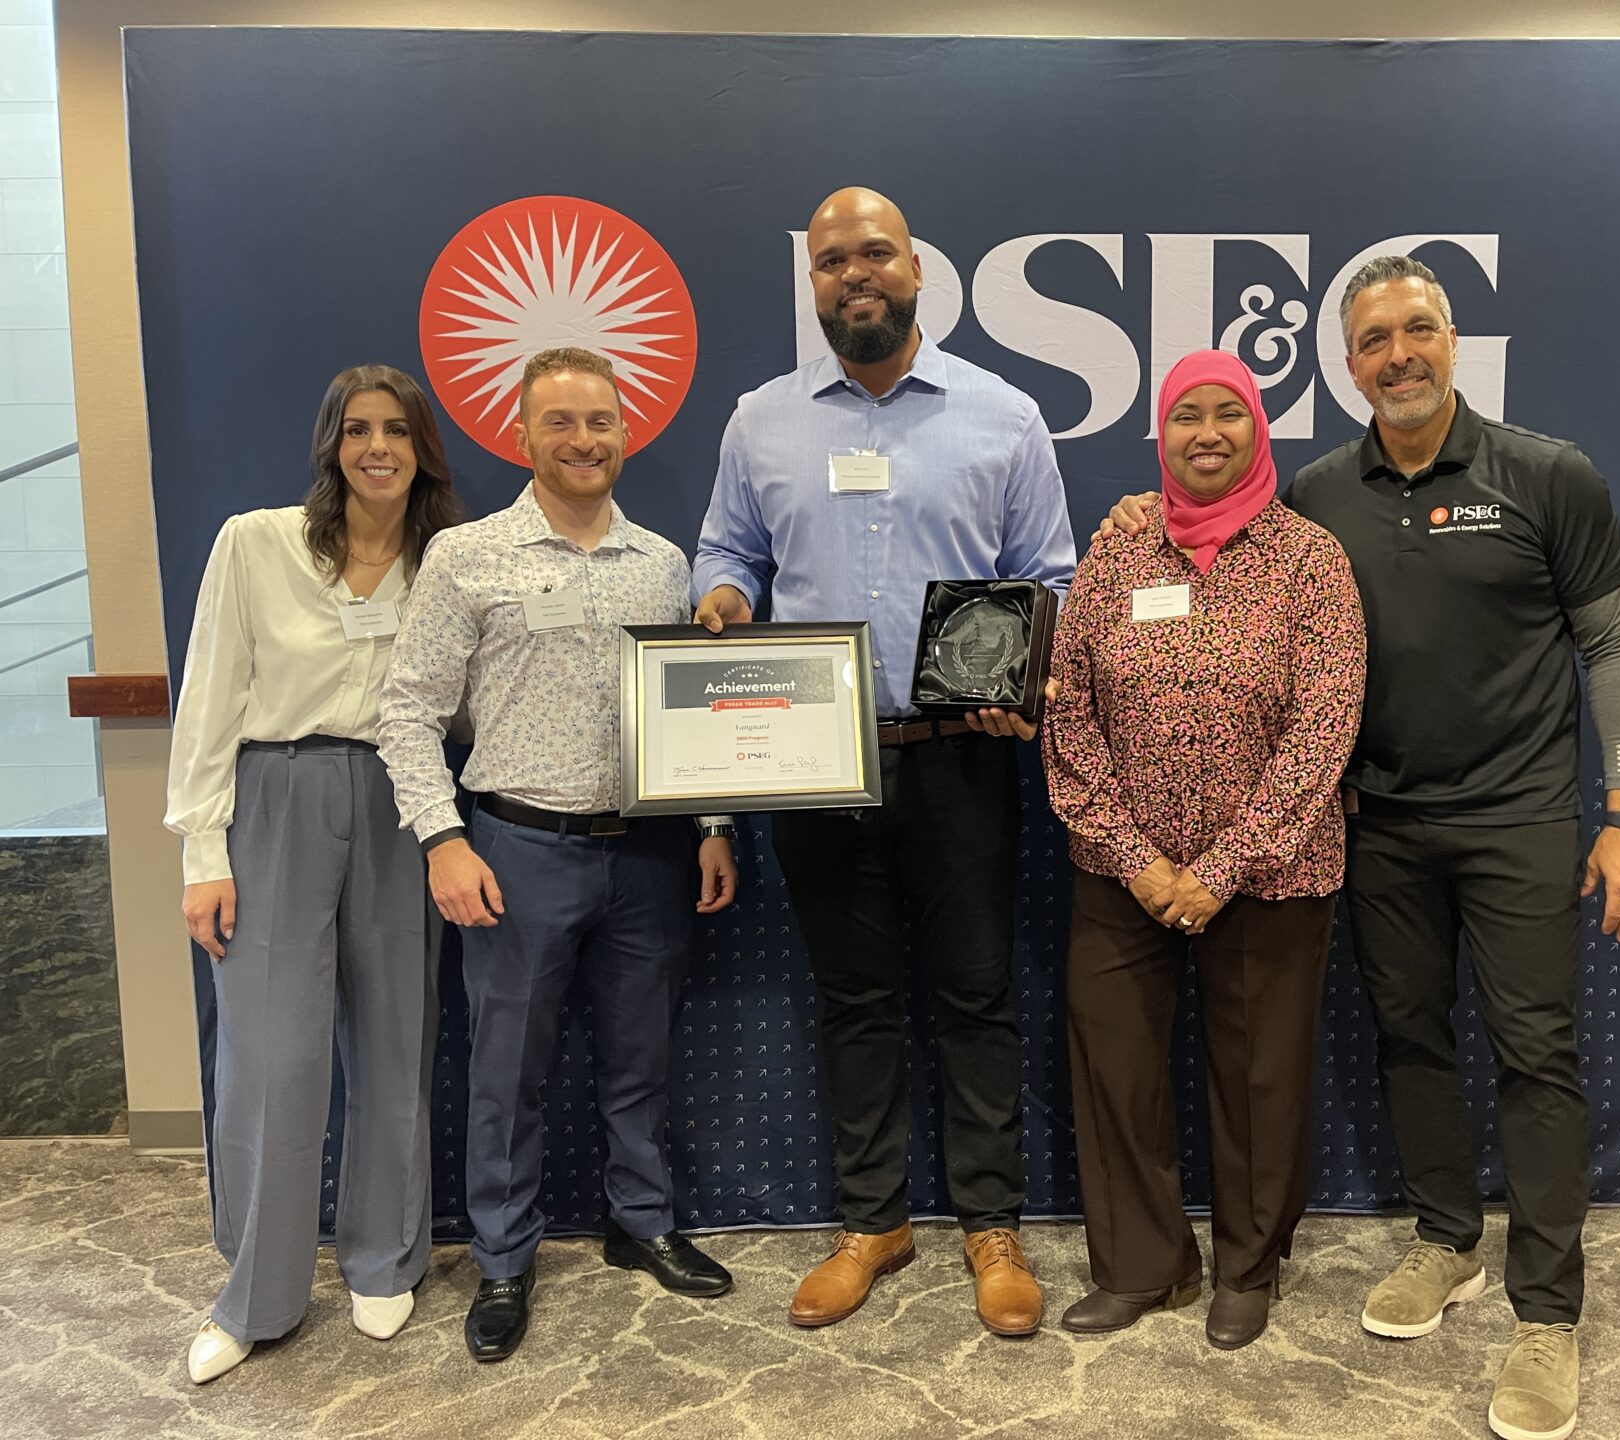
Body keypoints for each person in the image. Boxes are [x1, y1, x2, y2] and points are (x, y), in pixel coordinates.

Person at [1103, 257, 1620, 1439]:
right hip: (1382, 824)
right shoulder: (1315, 492)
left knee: (1535, 1055)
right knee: (1411, 1039)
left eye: (1418, 330)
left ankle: (1547, 1312)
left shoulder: (1547, 475)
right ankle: (1447, 1240)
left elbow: (1616, 645)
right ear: (1345, 363)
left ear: (1452, 340)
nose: (1398, 355)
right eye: (1373, 340)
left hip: (1520, 817)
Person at [692, 186, 1076, 1336]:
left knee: (975, 996)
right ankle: (874, 1222)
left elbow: (1048, 577)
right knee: (854, 1001)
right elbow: (728, 550)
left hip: (961, 753)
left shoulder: (1003, 414)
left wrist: (1021, 681)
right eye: (830, 261)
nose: (854, 274)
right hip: (813, 758)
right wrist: (721, 596)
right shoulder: (760, 420)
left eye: (875, 254)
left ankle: (991, 1227)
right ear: (810, 283)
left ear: (918, 272)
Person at [377, 346, 739, 1364]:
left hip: (651, 856)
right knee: (506, 1072)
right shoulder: (468, 557)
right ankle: (503, 1258)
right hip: (515, 848)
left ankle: (643, 1222)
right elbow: (405, 713)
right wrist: (443, 841)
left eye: (601, 422)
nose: (584, 440)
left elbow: (696, 716)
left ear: (627, 432)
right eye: (561, 423)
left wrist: (713, 829)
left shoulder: (664, 566)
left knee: (641, 1058)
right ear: (521, 434)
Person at [1044, 351, 1364, 1350]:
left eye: (1230, 414)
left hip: (1273, 873)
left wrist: (1225, 866)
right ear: (1161, 437)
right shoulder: (1117, 555)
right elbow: (1069, 715)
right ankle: (1143, 1265)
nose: (1209, 433)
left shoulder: (1311, 559)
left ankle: (1248, 1266)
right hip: (1122, 872)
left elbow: (1327, 722)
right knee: (1116, 1063)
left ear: (1260, 429)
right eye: (1188, 417)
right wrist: (1134, 856)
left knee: (1261, 1076)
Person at [164, 364, 464, 1383]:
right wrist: (204, 853)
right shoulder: (257, 543)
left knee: (394, 1041)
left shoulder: (449, 563)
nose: (377, 447)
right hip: (275, 799)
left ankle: (385, 1260)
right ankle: (256, 1293)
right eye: (357, 431)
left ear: (424, 448)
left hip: (401, 802)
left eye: (397, 431)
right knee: (270, 1060)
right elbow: (208, 702)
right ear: (331, 445)